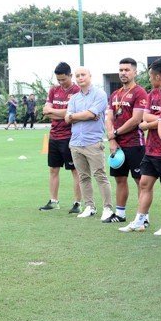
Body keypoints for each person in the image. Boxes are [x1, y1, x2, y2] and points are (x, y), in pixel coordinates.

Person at [118, 57, 161, 233]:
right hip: (151, 149)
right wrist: (159, 120)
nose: (149, 79)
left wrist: (150, 124)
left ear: (157, 76)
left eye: (150, 76)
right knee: (144, 184)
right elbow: (146, 117)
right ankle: (139, 220)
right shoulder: (153, 94)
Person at [104, 58, 149, 223]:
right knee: (120, 179)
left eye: (127, 70)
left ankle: (143, 217)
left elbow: (136, 119)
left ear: (135, 72)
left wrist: (114, 133)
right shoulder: (115, 94)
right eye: (121, 70)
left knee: (140, 181)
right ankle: (120, 214)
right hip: (117, 145)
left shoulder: (140, 92)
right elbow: (108, 117)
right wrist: (112, 139)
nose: (123, 73)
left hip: (135, 144)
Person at [66, 67, 113, 220]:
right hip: (76, 143)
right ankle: (89, 206)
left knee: (100, 175)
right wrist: (83, 116)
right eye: (78, 76)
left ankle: (107, 208)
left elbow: (91, 114)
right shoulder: (74, 98)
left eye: (83, 75)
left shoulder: (100, 94)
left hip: (93, 142)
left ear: (90, 76)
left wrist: (78, 116)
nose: (80, 78)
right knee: (83, 176)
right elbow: (67, 118)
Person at [40, 62, 83, 213]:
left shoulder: (78, 91)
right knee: (53, 169)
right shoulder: (53, 90)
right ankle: (53, 201)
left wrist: (56, 112)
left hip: (70, 136)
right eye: (58, 79)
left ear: (70, 76)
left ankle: (77, 203)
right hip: (54, 136)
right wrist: (62, 112)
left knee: (75, 170)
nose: (61, 82)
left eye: (63, 79)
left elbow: (71, 113)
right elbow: (46, 110)